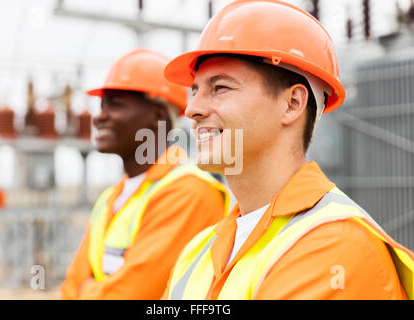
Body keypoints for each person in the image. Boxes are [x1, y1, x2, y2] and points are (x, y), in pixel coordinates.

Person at [162, 0, 413, 299]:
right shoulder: (201, 248)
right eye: (195, 91)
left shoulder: (334, 244)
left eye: (220, 88)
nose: (192, 109)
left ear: (293, 104)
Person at [61, 49, 229, 299]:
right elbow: (70, 286)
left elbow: (132, 295)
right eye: (102, 106)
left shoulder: (190, 192)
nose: (99, 117)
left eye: (115, 105)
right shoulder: (112, 197)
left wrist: (87, 289)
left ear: (158, 116)